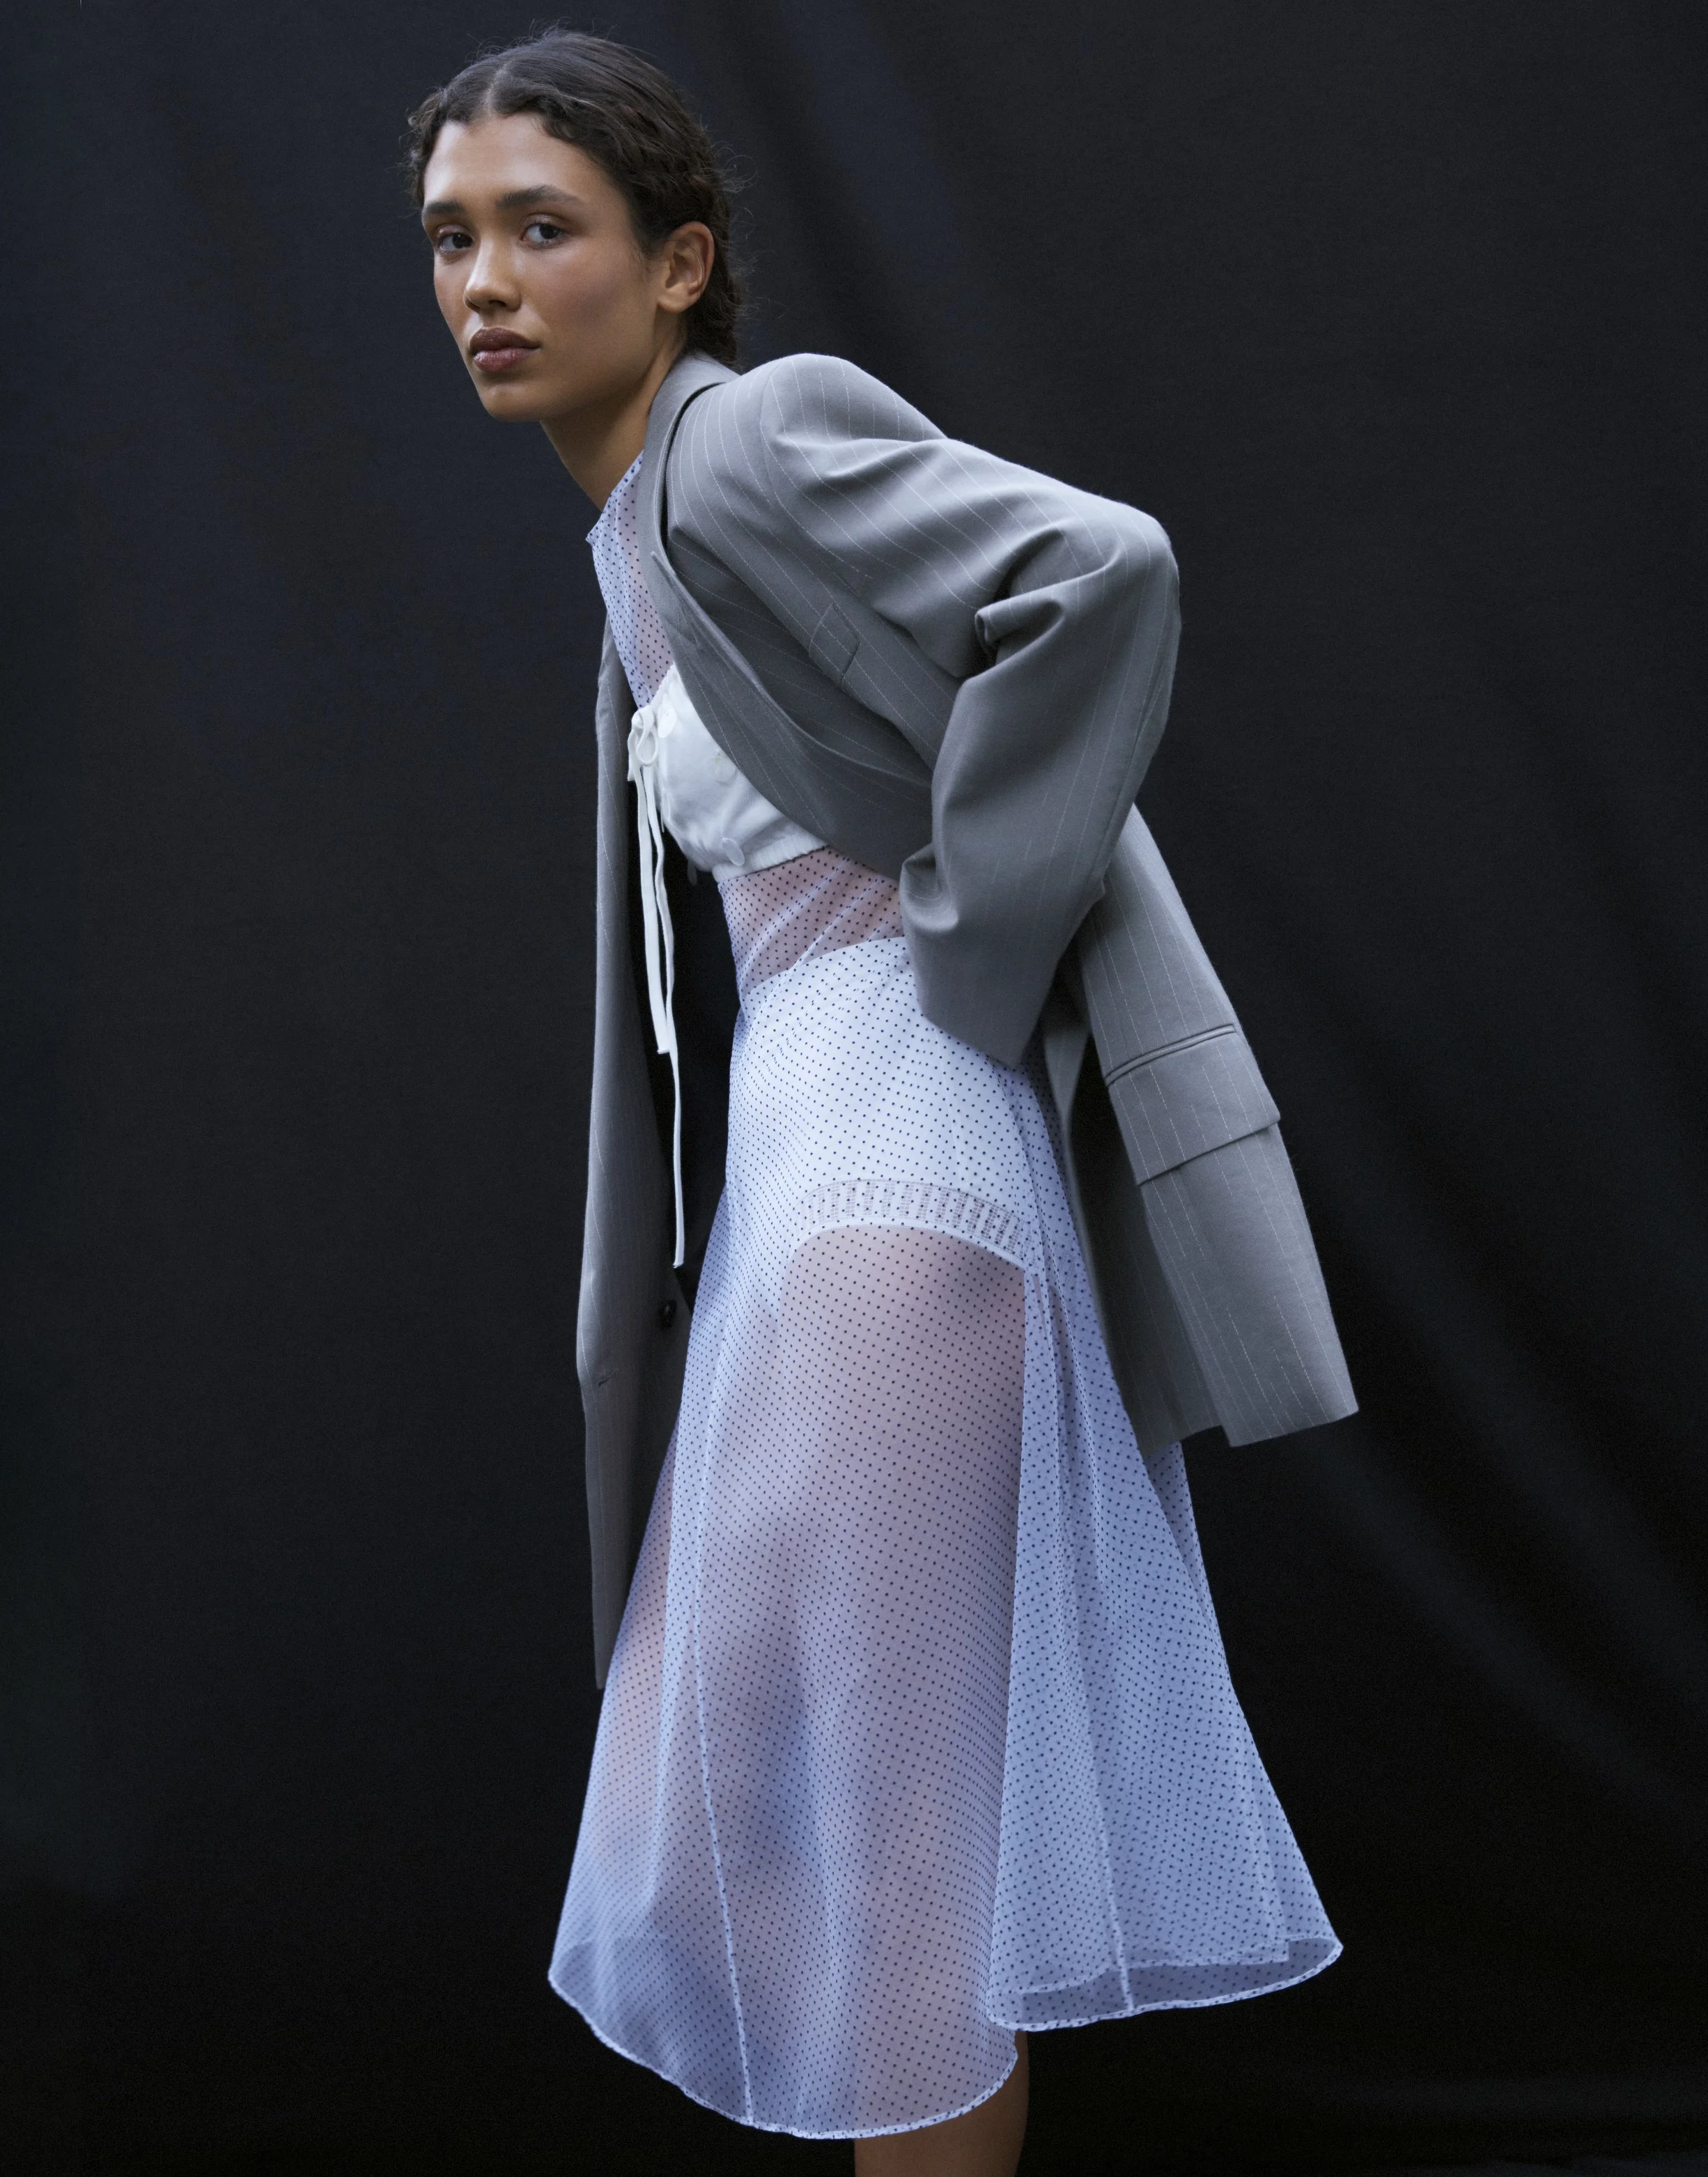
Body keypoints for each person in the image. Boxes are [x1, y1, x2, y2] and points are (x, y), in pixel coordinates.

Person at [410, 31, 1355, 2174]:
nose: (483, 278)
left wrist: (972, 907)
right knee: (807, 1826)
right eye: (452, 237)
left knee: (895, 1846)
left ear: (679, 267)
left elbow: (1096, 566)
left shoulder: (747, 446)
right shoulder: (628, 550)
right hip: (817, 1192)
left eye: (541, 228)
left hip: (893, 1183)